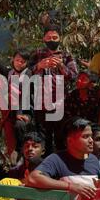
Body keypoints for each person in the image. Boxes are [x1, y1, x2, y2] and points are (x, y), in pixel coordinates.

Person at [29, 24, 78, 154]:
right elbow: (25, 75)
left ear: (60, 38)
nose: (52, 40)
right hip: (41, 103)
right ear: (44, 39)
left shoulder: (67, 56)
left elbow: (74, 76)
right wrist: (38, 66)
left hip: (61, 103)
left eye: (55, 37)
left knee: (61, 136)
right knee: (44, 137)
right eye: (49, 37)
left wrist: (61, 66)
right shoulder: (37, 55)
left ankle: (61, 167)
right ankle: (44, 167)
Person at [0, 48, 33, 157]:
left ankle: (21, 151)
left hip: (26, 110)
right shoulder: (10, 73)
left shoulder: (29, 74)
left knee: (19, 125)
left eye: (23, 61)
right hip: (10, 112)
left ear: (26, 63)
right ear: (13, 60)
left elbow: (24, 97)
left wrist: (20, 114)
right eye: (17, 60)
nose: (19, 63)